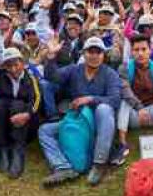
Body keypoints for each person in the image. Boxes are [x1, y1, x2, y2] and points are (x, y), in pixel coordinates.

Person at [38, 36, 122, 187]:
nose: (94, 56)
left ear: (103, 55)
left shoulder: (110, 74)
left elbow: (115, 100)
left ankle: (99, 163)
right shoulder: (74, 70)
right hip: (77, 120)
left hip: (99, 123)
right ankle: (63, 167)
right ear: (84, 53)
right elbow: (51, 77)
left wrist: (90, 99)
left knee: (104, 109)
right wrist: (50, 56)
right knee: (45, 130)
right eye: (90, 51)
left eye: (98, 52)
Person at [0, 47, 42, 178]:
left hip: (26, 123)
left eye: (16, 64)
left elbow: (37, 99)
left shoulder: (31, 77)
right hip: (7, 121)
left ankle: (18, 150)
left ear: (22, 63)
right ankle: (3, 148)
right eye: (9, 65)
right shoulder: (1, 76)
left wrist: (28, 114)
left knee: (18, 104)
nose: (13, 69)